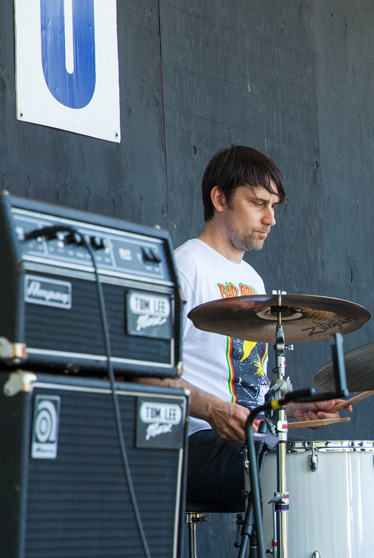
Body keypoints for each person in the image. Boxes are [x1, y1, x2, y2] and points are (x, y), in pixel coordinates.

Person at [144, 145, 347, 508]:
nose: (271, 219)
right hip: (187, 441)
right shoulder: (185, 267)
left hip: (246, 441)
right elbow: (142, 373)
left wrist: (292, 411)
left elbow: (248, 388)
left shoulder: (253, 281)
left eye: (273, 206)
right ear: (220, 198)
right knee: (284, 478)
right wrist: (212, 409)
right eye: (258, 203)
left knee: (324, 474)